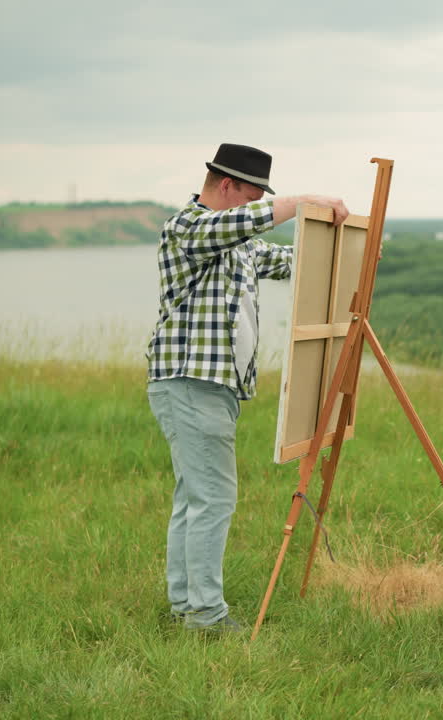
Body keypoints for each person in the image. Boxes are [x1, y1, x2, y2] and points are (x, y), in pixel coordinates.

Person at [146, 142, 349, 631]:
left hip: (211, 387)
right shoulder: (188, 227)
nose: (258, 209)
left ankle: (185, 604)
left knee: (194, 497)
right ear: (228, 185)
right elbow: (245, 224)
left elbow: (288, 260)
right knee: (213, 499)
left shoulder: (235, 242)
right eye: (254, 197)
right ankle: (206, 616)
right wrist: (305, 203)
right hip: (191, 382)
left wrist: (352, 249)